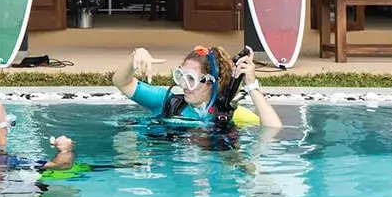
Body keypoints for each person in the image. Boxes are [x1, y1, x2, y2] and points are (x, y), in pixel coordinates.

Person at [113, 44, 282, 129]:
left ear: (210, 82)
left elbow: (273, 129)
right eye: (181, 76)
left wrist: (251, 85)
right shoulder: (168, 102)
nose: (184, 86)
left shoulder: (227, 114)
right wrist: (136, 55)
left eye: (191, 79)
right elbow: (122, 82)